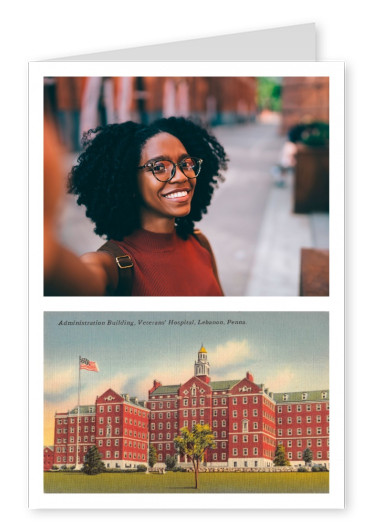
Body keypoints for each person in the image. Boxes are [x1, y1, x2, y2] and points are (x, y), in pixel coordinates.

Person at [45, 116, 228, 296]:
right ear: (129, 181)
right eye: (159, 167)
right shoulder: (111, 266)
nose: (181, 176)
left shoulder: (200, 243)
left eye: (186, 163)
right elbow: (71, 279)